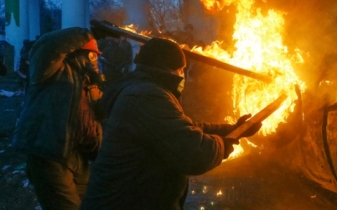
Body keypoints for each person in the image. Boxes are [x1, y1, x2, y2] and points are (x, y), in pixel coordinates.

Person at [80, 38, 262, 210]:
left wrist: (233, 129)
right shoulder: (146, 97)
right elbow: (194, 152)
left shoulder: (143, 89)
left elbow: (185, 128)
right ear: (170, 69)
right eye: (182, 69)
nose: (183, 75)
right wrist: (223, 144)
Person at [12, 27, 114, 210]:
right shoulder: (51, 70)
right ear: (76, 54)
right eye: (91, 55)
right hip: (50, 154)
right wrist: (88, 34)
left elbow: (98, 115)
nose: (95, 61)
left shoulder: (90, 84)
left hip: (79, 156)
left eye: (96, 56)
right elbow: (50, 46)